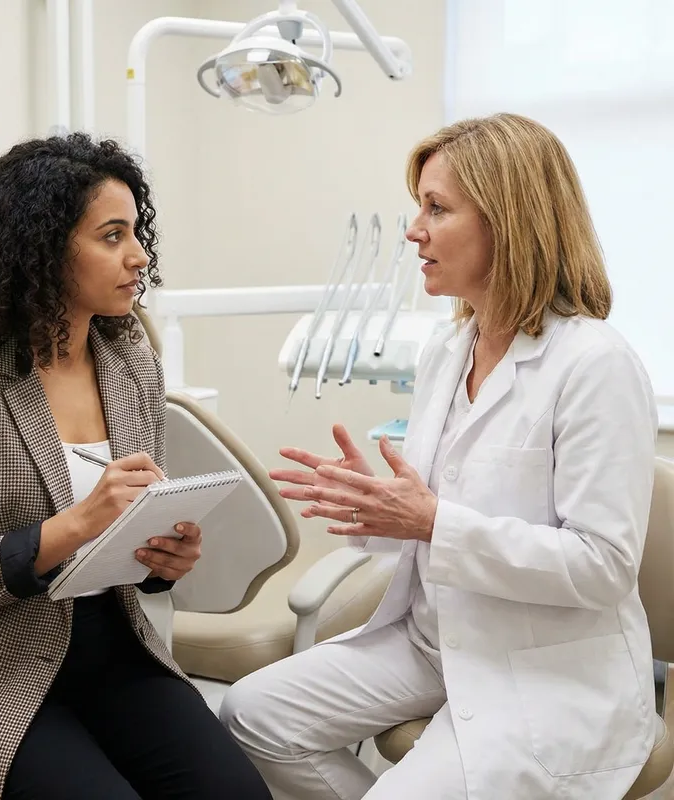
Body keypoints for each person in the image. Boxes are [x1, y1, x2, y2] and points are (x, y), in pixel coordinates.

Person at [220, 113, 659, 800]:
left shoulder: (594, 364)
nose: (413, 231)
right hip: (431, 641)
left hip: (542, 669)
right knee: (252, 715)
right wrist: (374, 508)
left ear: (507, 221)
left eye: (436, 208)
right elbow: (428, 512)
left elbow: (601, 567)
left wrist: (431, 521)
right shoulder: (447, 351)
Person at [0, 133, 272, 800]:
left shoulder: (131, 366)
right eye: (112, 236)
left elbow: (130, 537)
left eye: (136, 232)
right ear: (42, 248)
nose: (139, 256)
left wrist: (162, 560)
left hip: (115, 652)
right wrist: (79, 524)